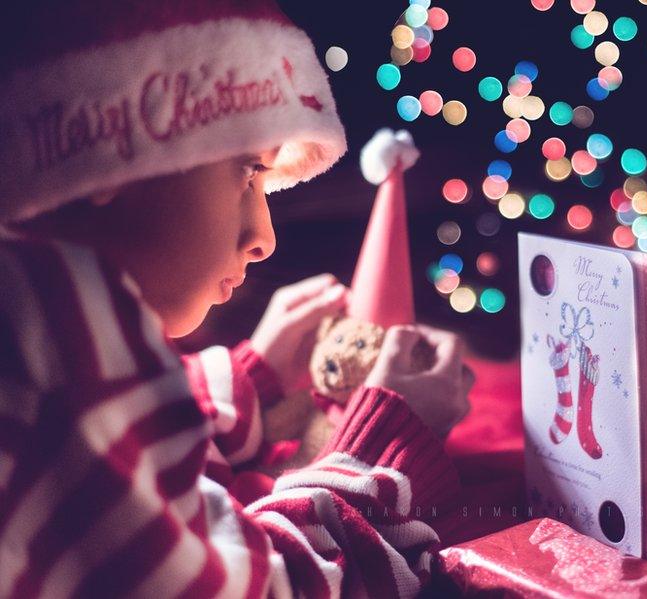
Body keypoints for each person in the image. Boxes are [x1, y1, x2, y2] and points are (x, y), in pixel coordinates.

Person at [0, 1, 470, 596]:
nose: (263, 239)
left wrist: (249, 377)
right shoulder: (54, 338)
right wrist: (383, 456)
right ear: (107, 139)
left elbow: (117, 470)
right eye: (249, 171)